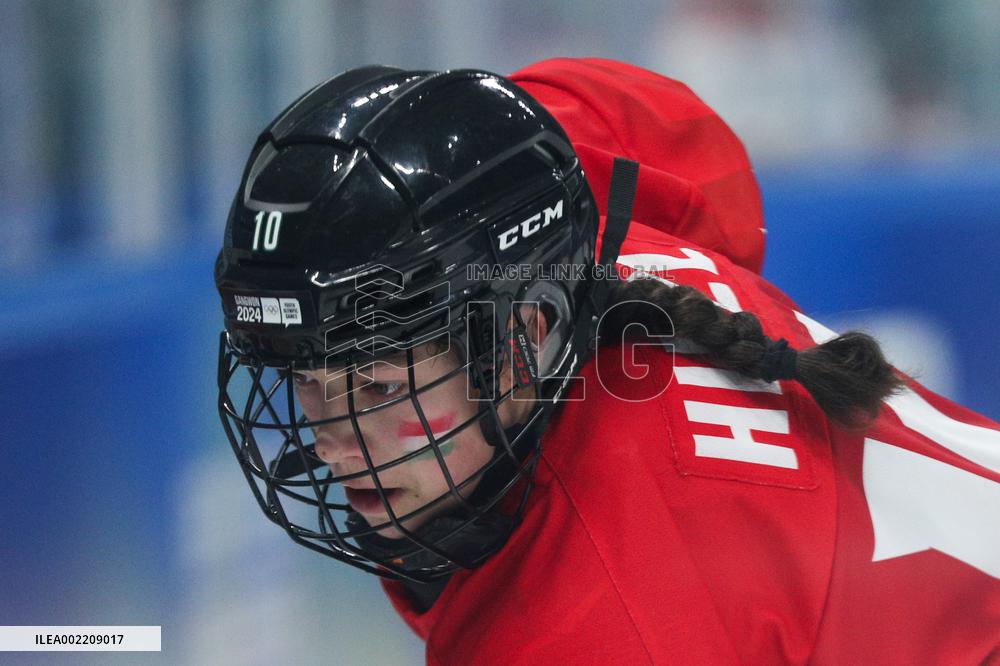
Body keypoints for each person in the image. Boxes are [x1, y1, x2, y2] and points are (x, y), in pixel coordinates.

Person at [215, 58, 1000, 664]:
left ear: (519, 343)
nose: (330, 438)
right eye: (306, 384)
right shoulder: (560, 222)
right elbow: (661, 129)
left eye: (379, 384)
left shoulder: (593, 625)